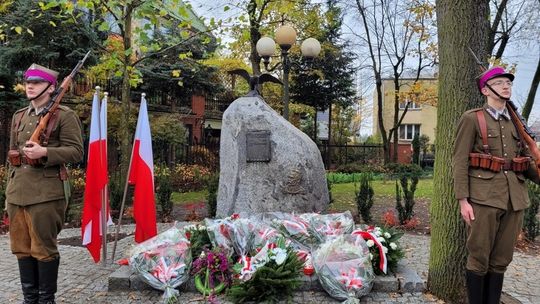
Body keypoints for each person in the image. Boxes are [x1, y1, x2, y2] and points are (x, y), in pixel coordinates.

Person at [453, 66, 539, 304]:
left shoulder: (516, 125)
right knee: (479, 258)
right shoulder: (472, 118)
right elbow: (459, 161)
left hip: (514, 199)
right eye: (500, 82)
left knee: (501, 259)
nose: (506, 86)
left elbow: (525, 162)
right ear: (485, 89)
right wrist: (463, 200)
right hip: (483, 199)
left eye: (508, 83)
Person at [5, 64, 83, 304]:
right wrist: (8, 191)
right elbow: (12, 156)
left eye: (37, 82)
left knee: (43, 249)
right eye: (28, 81)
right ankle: (30, 299)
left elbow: (76, 152)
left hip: (46, 193)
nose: (30, 85)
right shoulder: (20, 115)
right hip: (17, 192)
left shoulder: (65, 116)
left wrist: (45, 151)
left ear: (51, 87)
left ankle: (46, 300)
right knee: (21, 247)